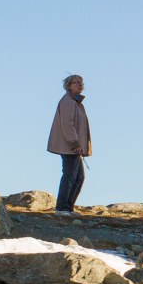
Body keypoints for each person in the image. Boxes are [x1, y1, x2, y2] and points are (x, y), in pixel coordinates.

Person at [47, 74, 91, 215]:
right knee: (70, 175)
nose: (79, 84)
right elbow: (68, 124)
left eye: (81, 82)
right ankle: (61, 208)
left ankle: (68, 207)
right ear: (68, 85)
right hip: (69, 146)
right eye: (75, 82)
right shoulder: (68, 101)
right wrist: (74, 143)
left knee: (78, 177)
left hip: (75, 147)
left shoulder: (77, 103)